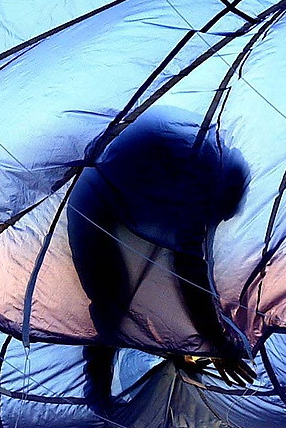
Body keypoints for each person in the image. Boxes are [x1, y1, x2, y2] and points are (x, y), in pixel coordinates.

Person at [68, 108, 256, 408]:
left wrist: (184, 346)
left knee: (128, 292)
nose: (211, 226)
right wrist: (216, 344)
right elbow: (187, 268)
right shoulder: (199, 176)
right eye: (215, 218)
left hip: (115, 209)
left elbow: (167, 283)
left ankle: (101, 399)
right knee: (111, 296)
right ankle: (99, 401)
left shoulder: (201, 165)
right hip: (94, 210)